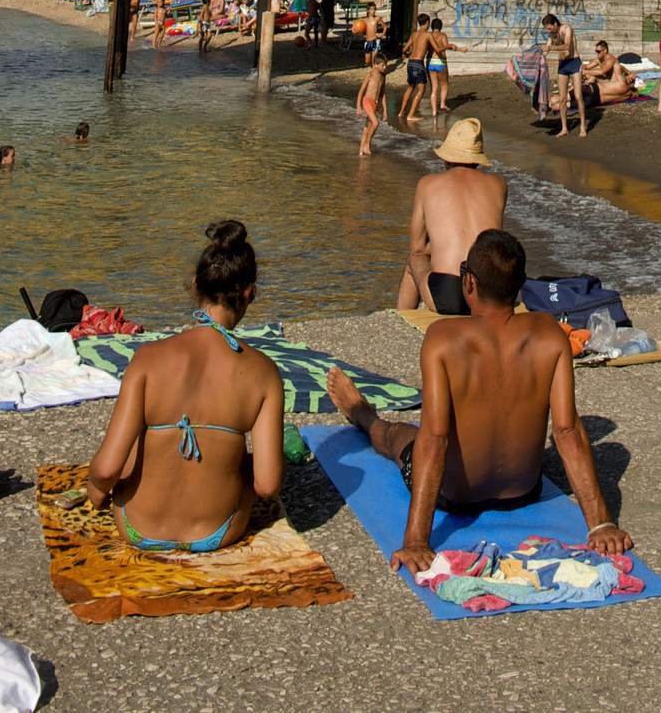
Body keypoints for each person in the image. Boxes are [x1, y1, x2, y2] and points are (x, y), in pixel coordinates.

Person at [325, 228, 631, 572]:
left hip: (455, 498)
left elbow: (435, 439)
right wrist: (601, 524)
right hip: (524, 491)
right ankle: (366, 416)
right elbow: (567, 431)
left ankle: (365, 416)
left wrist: (416, 542)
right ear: (520, 286)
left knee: (402, 436)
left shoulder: (443, 338)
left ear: (469, 283)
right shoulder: (549, 332)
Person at [84, 219, 283, 555]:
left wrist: (97, 491)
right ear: (248, 293)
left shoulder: (148, 359)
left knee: (137, 442)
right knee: (244, 458)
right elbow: (267, 484)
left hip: (136, 528)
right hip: (219, 531)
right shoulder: (264, 373)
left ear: (195, 285)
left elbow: (106, 469)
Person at [405, 119, 508, 315]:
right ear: (477, 157)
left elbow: (417, 248)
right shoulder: (499, 184)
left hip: (449, 292)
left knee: (414, 258)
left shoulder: (427, 184)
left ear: (447, 157)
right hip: (489, 293)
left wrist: (438, 245)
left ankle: (400, 321)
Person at [357, 53, 392, 156]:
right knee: (376, 123)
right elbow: (361, 91)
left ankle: (360, 153)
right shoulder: (370, 75)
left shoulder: (383, 76)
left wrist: (385, 110)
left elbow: (383, 94)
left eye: (385, 65)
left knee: (367, 128)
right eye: (382, 65)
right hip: (367, 101)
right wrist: (358, 106)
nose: (385, 67)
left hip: (375, 104)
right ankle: (367, 144)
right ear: (375, 65)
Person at [399, 14, 433, 124]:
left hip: (411, 63)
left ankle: (401, 112)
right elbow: (436, 48)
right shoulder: (427, 35)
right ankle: (411, 115)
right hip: (419, 63)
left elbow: (404, 49)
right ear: (427, 23)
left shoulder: (414, 34)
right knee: (421, 90)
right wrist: (449, 46)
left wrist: (408, 53)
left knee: (410, 87)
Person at [425, 18, 459, 120]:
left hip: (430, 61)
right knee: (444, 84)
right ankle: (442, 104)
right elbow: (445, 47)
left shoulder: (429, 35)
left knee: (434, 87)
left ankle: (434, 111)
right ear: (440, 26)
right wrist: (454, 47)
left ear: (431, 26)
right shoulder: (442, 35)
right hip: (440, 61)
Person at [583, 39, 634, 104]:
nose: (597, 53)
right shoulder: (599, 60)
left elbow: (602, 72)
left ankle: (585, 93)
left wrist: (585, 72)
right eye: (596, 51)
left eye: (598, 51)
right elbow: (587, 66)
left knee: (591, 76)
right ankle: (585, 92)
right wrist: (582, 68)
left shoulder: (611, 59)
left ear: (605, 51)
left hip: (615, 83)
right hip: (608, 81)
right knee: (590, 76)